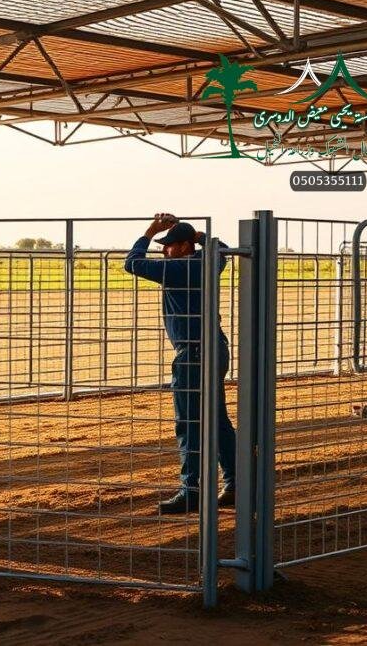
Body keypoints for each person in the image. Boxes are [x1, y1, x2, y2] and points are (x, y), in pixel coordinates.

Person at [125, 213, 236, 514]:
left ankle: (192, 491)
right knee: (217, 420)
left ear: (185, 247)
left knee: (188, 423)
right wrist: (201, 236)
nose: (164, 250)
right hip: (214, 348)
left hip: (192, 354)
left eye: (170, 244)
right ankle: (236, 482)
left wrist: (150, 231)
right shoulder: (210, 263)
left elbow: (131, 262)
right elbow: (222, 249)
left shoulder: (180, 268)